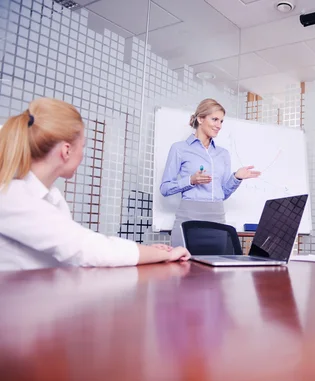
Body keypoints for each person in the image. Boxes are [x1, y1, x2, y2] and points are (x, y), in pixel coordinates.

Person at [0, 98, 191, 270]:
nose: (83, 154)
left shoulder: (51, 197)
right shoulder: (11, 196)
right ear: (66, 151)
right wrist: (166, 254)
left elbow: (72, 249)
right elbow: (85, 248)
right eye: (82, 147)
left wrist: (148, 252)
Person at [160, 98, 260, 247]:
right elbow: (165, 188)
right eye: (215, 119)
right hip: (189, 219)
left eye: (221, 121)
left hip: (217, 221)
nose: (219, 125)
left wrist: (237, 178)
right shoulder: (179, 149)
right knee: (183, 268)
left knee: (215, 267)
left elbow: (223, 193)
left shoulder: (223, 154)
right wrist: (191, 180)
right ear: (200, 119)